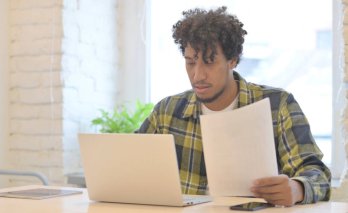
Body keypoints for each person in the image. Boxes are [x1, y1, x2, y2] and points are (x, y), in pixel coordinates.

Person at [136, 6, 331, 206]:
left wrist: (296, 188)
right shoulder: (167, 111)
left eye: (209, 62)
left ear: (233, 60)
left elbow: (318, 175)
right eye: (190, 62)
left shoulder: (278, 105)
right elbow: (128, 163)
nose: (198, 75)